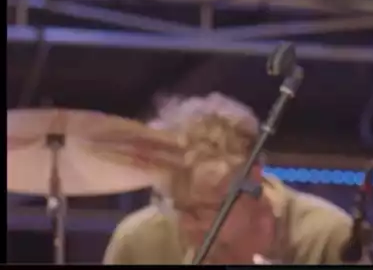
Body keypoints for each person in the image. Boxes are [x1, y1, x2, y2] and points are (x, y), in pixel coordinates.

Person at [103, 93, 357, 265]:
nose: (186, 226)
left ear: (253, 180)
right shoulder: (138, 242)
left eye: (201, 211)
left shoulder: (327, 237)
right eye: (175, 207)